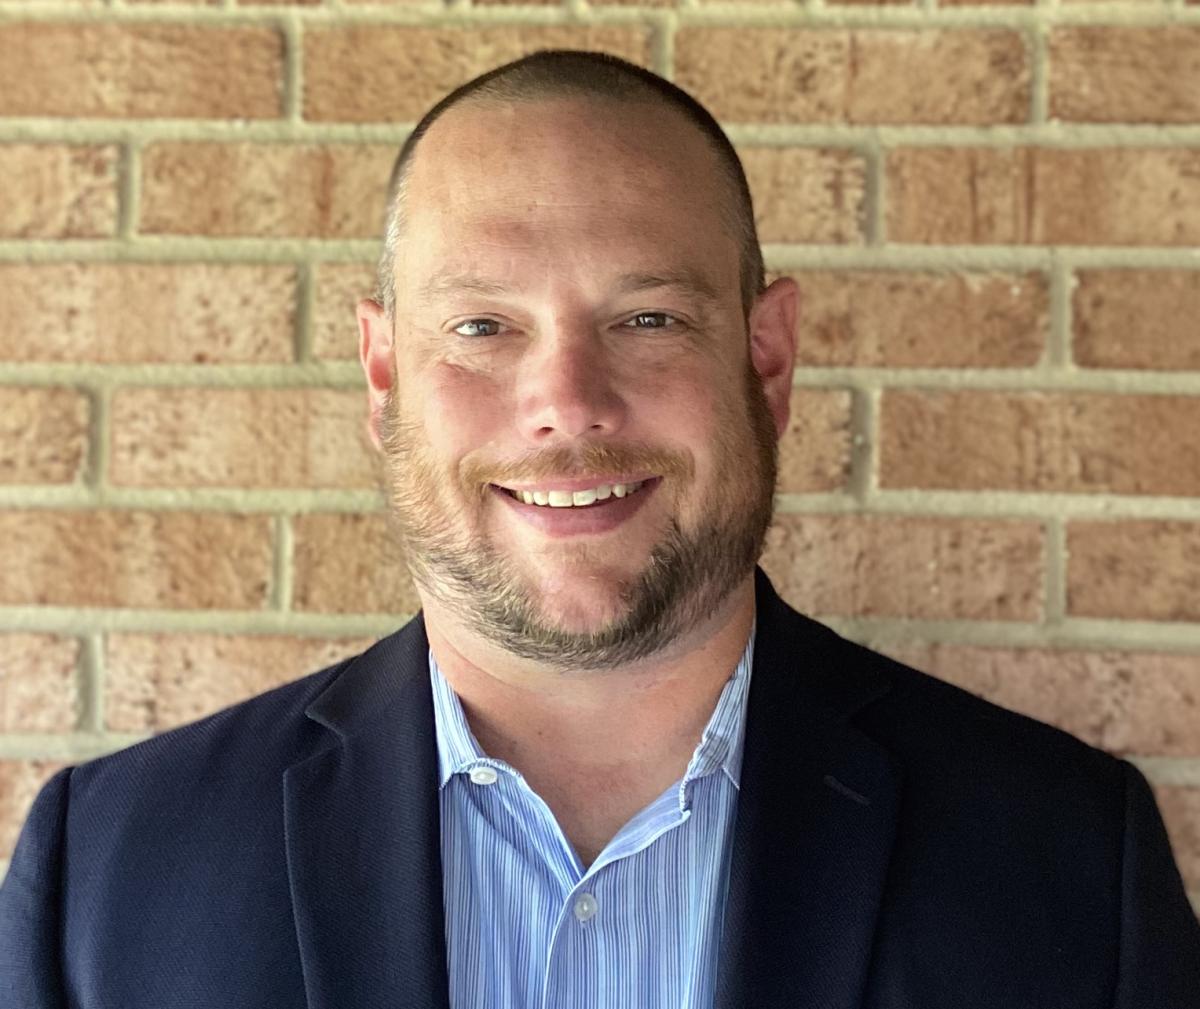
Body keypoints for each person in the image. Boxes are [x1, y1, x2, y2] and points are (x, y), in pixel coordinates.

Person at [2, 50, 1197, 1008]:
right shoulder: (109, 872)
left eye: (649, 318)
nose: (568, 402)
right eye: (482, 326)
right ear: (382, 375)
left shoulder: (1074, 860)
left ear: (766, 360)